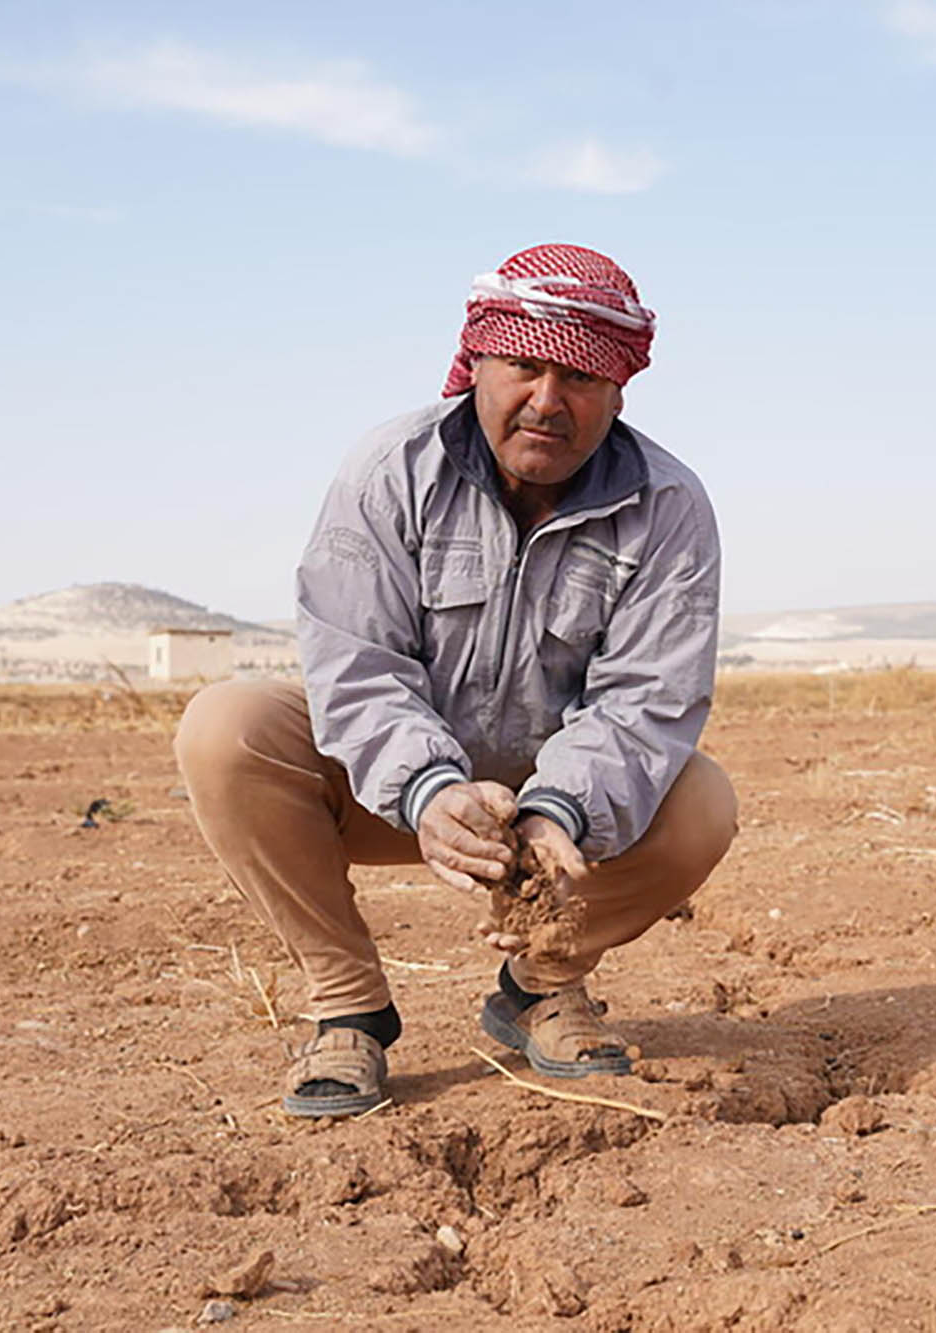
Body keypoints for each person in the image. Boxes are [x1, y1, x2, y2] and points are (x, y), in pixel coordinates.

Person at [174, 243, 736, 1117]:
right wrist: (429, 788)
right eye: (525, 366)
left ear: (619, 390)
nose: (548, 400)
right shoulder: (390, 470)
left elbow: (645, 701)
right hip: (395, 785)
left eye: (580, 377)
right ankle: (346, 1004)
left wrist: (561, 808)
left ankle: (541, 985)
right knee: (225, 727)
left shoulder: (669, 507)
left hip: (556, 813)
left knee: (701, 801)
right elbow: (355, 664)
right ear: (479, 362)